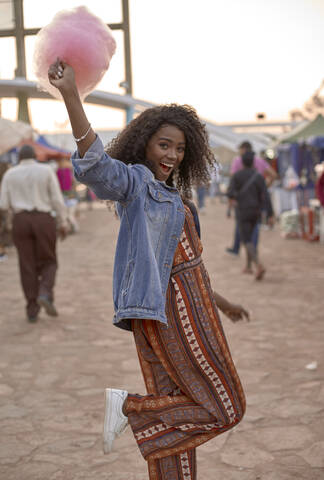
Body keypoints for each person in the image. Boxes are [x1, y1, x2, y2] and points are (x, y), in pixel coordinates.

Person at [48, 59, 248, 480]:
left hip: (194, 307)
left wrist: (224, 302)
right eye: (164, 145)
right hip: (171, 313)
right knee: (224, 405)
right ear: (144, 146)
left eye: (179, 148)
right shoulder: (137, 184)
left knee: (176, 411)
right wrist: (72, 96)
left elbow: (190, 266)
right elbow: (98, 168)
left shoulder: (175, 198)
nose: (172, 155)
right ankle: (128, 407)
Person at [0, 145, 68, 322]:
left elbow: (4, 204)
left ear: (20, 158)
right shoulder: (45, 171)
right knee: (49, 260)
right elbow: (56, 199)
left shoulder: (10, 174)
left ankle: (32, 310)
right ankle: (45, 292)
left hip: (20, 221)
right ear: (35, 156)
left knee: (27, 265)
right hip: (43, 219)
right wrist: (63, 222)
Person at [226, 141, 276, 256]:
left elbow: (231, 186)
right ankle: (253, 251)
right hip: (257, 202)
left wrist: (231, 203)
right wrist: (264, 187)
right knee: (255, 226)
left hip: (242, 203)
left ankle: (237, 248)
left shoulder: (237, 161)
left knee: (241, 226)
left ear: (243, 150)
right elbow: (273, 175)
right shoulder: (260, 162)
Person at [227, 151, 267, 279]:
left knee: (246, 239)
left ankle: (258, 264)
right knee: (250, 237)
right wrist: (270, 213)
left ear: (242, 162)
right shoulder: (258, 176)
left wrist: (234, 199)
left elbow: (230, 192)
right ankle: (248, 266)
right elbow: (265, 195)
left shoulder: (237, 176)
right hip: (256, 211)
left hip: (242, 211)